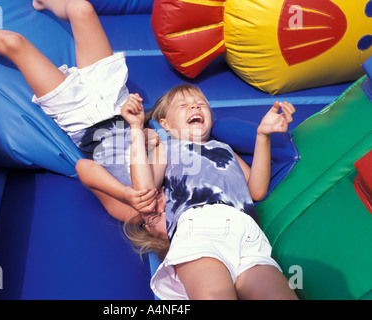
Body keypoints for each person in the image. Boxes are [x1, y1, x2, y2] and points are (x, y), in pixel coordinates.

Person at [0, 0, 160, 223]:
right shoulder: (174, 182)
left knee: (15, 44)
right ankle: (42, 1)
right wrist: (144, 138)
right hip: (115, 97)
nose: (162, 213)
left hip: (79, 112)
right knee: (82, 9)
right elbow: (153, 143)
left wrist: (126, 193)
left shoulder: (131, 212)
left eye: (161, 223)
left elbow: (84, 169)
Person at [121, 83, 299, 300]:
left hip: (249, 237)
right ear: (165, 124)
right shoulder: (167, 149)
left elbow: (256, 190)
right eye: (184, 105)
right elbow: (144, 190)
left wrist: (263, 135)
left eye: (201, 104)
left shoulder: (224, 149)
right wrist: (136, 128)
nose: (195, 107)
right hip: (200, 231)